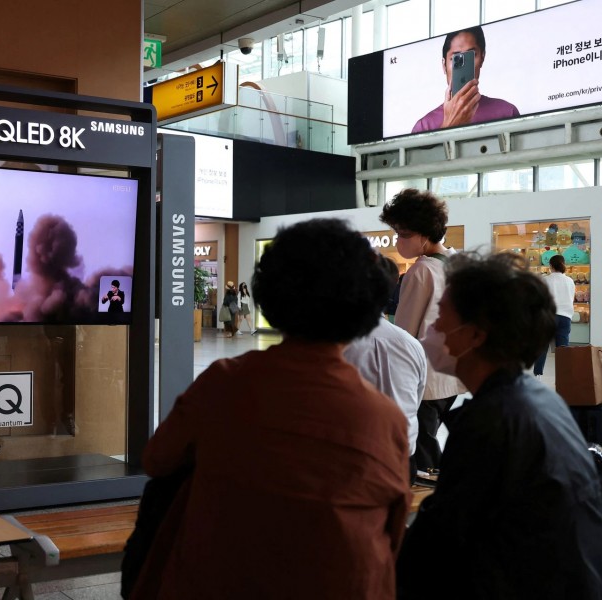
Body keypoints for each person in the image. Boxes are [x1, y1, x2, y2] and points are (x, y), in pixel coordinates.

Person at [131, 219, 410, 599]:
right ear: (367, 304)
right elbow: (391, 526)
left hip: (218, 578)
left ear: (272, 296)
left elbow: (158, 460)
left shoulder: (224, 383)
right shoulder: (381, 417)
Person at [396, 252, 602, 599]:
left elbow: (437, 543)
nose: (432, 329)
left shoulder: (490, 422)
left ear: (476, 334)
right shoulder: (535, 400)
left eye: (440, 317)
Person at [379, 188, 465, 474]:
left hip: (426, 379)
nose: (398, 240)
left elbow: (403, 334)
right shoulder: (457, 263)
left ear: (424, 233)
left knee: (423, 452)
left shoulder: (421, 271)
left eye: (403, 234)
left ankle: (431, 503)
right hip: (452, 374)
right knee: (430, 442)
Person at [344, 255, 427, 484]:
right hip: (403, 458)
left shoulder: (336, 345)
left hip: (355, 461)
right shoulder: (411, 345)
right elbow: (416, 399)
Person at [412, 25, 519, 134]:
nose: (464, 66)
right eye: (456, 58)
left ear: (482, 58)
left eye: (471, 56)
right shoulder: (424, 127)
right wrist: (449, 124)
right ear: (444, 65)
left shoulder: (507, 113)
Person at [532, 254, 575, 376]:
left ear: (550, 266)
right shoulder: (570, 281)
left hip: (549, 316)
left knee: (542, 347)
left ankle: (538, 374)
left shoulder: (545, 280)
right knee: (563, 349)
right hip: (566, 316)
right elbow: (571, 298)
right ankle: (564, 376)